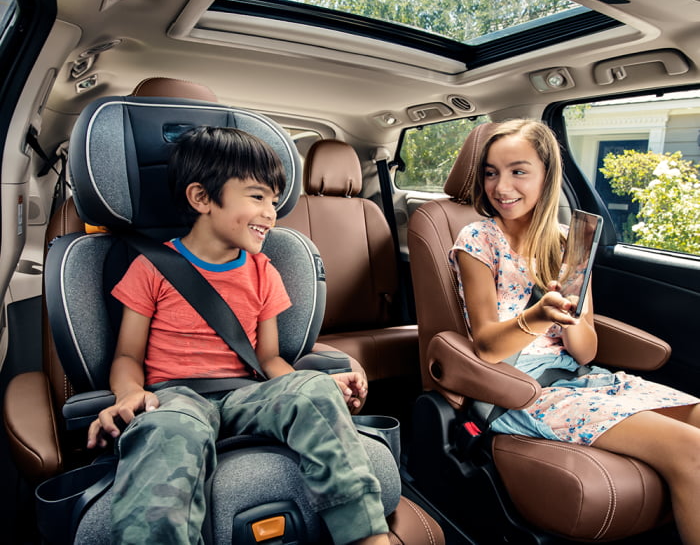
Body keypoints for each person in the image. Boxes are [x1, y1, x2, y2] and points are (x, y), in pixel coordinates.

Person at [86, 126, 390, 545]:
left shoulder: (264, 272)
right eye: (257, 196)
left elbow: (269, 360)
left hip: (245, 395)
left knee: (314, 388)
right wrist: (128, 395)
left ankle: (367, 536)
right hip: (175, 395)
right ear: (202, 198)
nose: (271, 212)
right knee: (168, 429)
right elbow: (126, 356)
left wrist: (314, 386)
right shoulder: (152, 268)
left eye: (274, 199)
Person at [449, 119, 700, 544]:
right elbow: (487, 347)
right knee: (691, 451)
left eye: (518, 171)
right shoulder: (477, 238)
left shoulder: (569, 242)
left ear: (547, 176)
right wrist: (539, 317)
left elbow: (584, 353)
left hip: (582, 378)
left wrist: (573, 311)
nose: (501, 186)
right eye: (491, 172)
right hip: (519, 389)